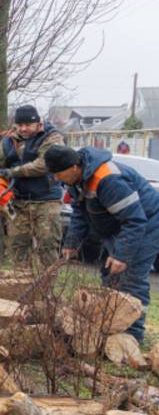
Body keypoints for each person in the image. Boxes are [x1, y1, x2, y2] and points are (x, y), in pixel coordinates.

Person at [46, 144, 159, 343]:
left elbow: (135, 220)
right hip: (118, 225)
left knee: (131, 277)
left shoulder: (108, 179)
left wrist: (122, 255)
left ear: (73, 167)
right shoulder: (76, 180)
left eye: (57, 174)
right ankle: (111, 325)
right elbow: (80, 214)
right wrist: (71, 243)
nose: (55, 179)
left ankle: (133, 334)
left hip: (147, 223)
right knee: (110, 273)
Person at [0, 105, 65, 268]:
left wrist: (13, 172)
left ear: (38, 123)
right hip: (18, 202)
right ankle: (21, 285)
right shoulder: (8, 141)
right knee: (18, 247)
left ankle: (47, 287)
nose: (23, 128)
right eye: (19, 125)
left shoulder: (52, 137)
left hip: (46, 201)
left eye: (27, 125)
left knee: (48, 246)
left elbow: (43, 165)